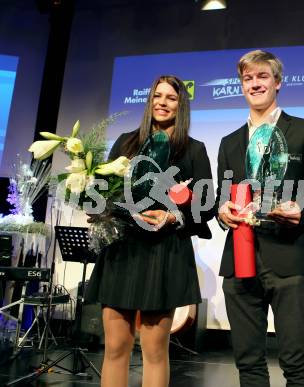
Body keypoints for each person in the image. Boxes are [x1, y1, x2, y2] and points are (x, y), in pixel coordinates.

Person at [216, 50, 304, 387]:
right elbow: (221, 198)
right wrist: (222, 211)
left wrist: (301, 209)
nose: (254, 84)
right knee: (248, 365)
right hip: (239, 262)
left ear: (278, 82)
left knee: (296, 363)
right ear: (242, 86)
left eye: (262, 77)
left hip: (289, 260)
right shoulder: (229, 143)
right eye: (247, 79)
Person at [86, 75, 215, 387]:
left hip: (165, 253)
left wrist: (173, 216)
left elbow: (207, 204)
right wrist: (94, 196)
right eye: (158, 96)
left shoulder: (193, 150)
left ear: (181, 105)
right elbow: (101, 195)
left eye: (171, 98)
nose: (162, 102)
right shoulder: (125, 143)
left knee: (155, 350)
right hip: (123, 251)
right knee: (116, 346)